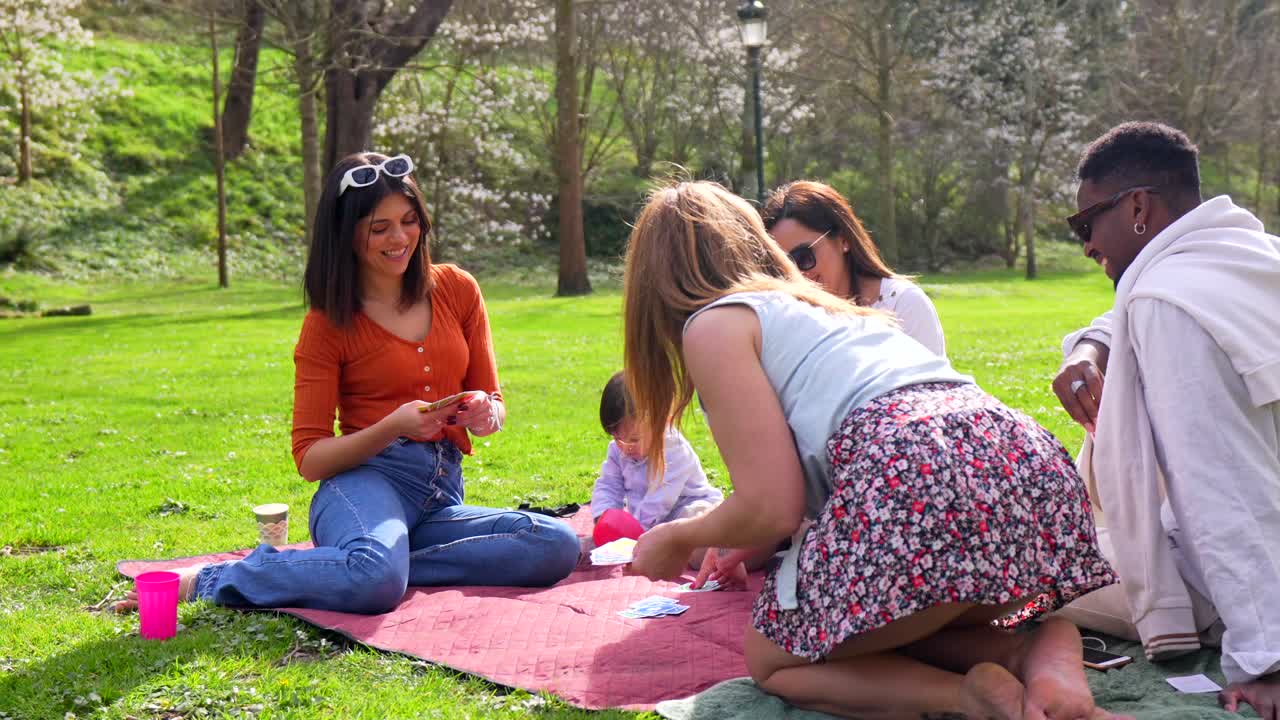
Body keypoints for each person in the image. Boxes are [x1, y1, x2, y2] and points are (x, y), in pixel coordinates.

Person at [623, 180, 1119, 719]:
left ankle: (962, 698)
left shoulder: (714, 324)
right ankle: (1028, 649)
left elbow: (774, 505)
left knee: (774, 657)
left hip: (919, 473)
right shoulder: (831, 308)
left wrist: (678, 537)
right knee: (873, 619)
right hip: (1024, 467)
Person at [116, 152, 579, 614]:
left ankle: (373, 559)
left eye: (409, 220)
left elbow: (494, 404)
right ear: (348, 233)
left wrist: (485, 411)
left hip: (439, 494)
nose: (400, 238)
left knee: (555, 544)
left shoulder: (457, 289)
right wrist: (392, 428)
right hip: (362, 486)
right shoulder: (327, 323)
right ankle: (213, 578)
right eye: (380, 228)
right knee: (376, 582)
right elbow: (310, 458)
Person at [1049, 121, 1280, 715]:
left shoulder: (1166, 305)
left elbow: (1225, 486)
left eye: (1085, 224)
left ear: (1138, 209)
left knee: (1024, 570)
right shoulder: (1249, 257)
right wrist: (1091, 347)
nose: (1086, 246)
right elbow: (1122, 313)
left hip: (1234, 588)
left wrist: (1265, 660)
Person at [761, 181, 947, 357]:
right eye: (782, 265)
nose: (797, 274)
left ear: (843, 240)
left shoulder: (903, 305)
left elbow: (934, 387)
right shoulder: (782, 317)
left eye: (803, 256)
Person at [591, 371, 723, 531]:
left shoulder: (674, 449)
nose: (625, 447)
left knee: (694, 517)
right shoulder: (617, 449)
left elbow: (659, 500)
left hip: (686, 509)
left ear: (659, 421)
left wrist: (633, 532)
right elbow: (608, 485)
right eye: (616, 438)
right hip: (652, 523)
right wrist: (605, 517)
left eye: (634, 439)